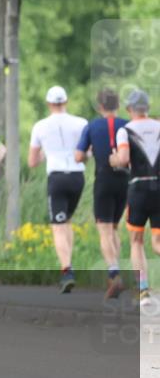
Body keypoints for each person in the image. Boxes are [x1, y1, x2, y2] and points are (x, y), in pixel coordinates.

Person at [28, 86, 88, 293]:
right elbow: (87, 153)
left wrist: (46, 153)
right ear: (66, 101)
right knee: (67, 221)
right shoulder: (81, 123)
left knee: (58, 225)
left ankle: (66, 270)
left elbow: (32, 161)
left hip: (57, 176)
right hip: (77, 176)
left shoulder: (40, 126)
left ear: (48, 104)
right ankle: (69, 265)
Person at [75, 88, 129, 298]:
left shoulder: (92, 126)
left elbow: (79, 156)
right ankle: (119, 271)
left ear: (100, 107)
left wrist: (89, 155)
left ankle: (114, 273)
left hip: (104, 180)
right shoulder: (127, 125)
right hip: (125, 180)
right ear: (118, 105)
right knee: (115, 228)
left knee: (104, 229)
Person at [109, 89, 160, 305]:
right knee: (157, 242)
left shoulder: (125, 130)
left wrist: (112, 160)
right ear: (147, 108)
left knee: (136, 241)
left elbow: (123, 159)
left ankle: (143, 291)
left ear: (130, 109)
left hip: (138, 189)